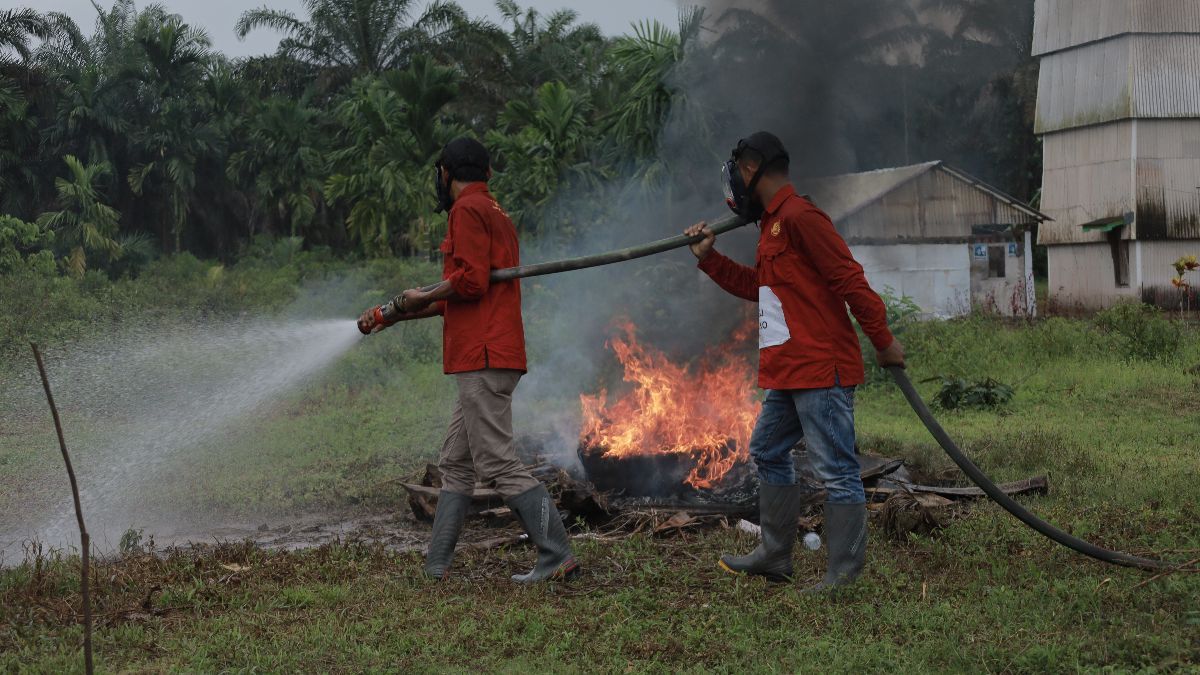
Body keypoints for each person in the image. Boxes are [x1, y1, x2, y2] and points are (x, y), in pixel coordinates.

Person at [683, 131, 904, 592]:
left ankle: (843, 575)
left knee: (837, 470)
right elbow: (758, 288)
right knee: (766, 450)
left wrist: (883, 341)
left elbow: (851, 281)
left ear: (749, 170)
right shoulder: (771, 227)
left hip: (820, 368)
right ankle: (776, 553)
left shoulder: (802, 217)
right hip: (788, 370)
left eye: (737, 173)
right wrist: (710, 260)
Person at [358, 137, 579, 583]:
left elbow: (471, 282)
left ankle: (557, 553)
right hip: (486, 354)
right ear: (488, 173)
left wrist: (418, 295)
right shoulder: (493, 211)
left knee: (496, 462)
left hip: (483, 355)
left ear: (445, 173)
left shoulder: (467, 211)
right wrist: (394, 314)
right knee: (456, 462)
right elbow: (456, 294)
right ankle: (436, 565)